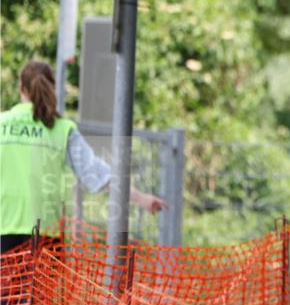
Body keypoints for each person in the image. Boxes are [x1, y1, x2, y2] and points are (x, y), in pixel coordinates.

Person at [1, 60, 166, 254]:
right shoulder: (61, 129)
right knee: (39, 286)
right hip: (46, 232)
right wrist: (142, 198)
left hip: (3, 225)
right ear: (52, 88)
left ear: (21, 87)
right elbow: (96, 172)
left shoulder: (2, 124)